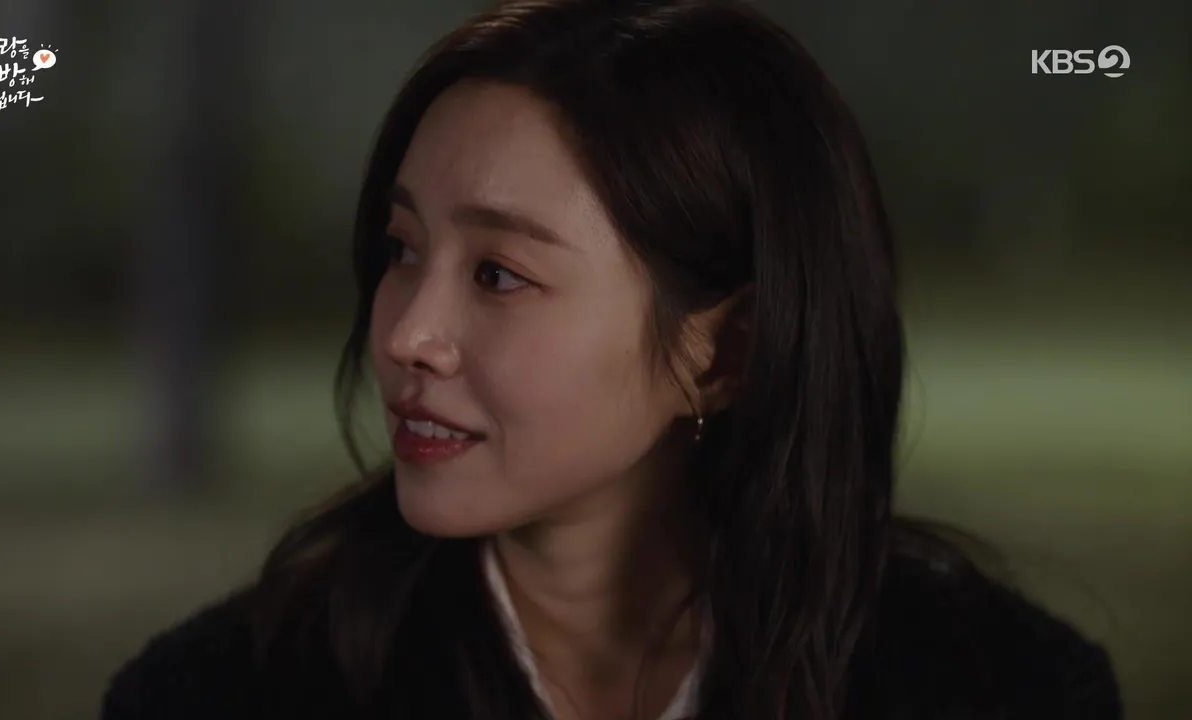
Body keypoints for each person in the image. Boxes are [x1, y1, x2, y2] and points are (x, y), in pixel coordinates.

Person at [100, 1, 1123, 718]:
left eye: (498, 273)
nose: (405, 333)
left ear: (722, 354)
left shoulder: (1002, 689)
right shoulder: (224, 693)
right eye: (402, 250)